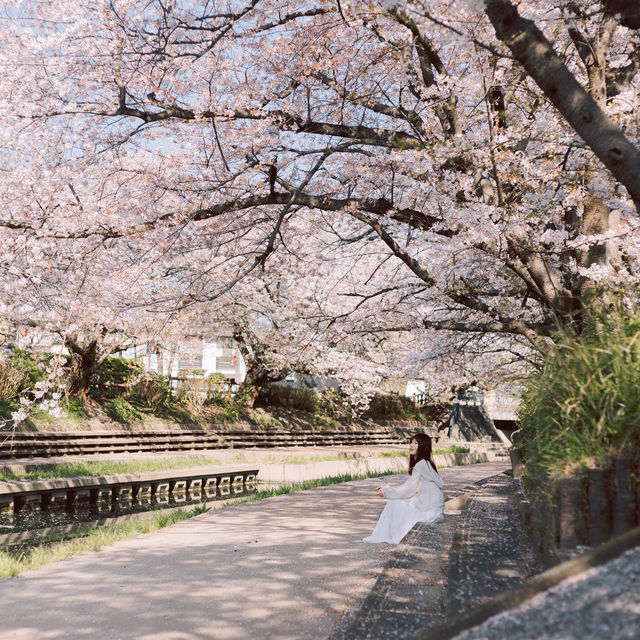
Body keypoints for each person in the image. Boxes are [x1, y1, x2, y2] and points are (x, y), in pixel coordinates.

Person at [363, 433, 444, 544]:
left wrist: (386, 491)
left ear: (423, 446)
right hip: (433, 509)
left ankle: (381, 536)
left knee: (394, 503)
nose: (411, 445)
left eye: (416, 443)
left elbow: (408, 490)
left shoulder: (421, 465)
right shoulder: (425, 463)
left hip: (429, 511)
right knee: (398, 503)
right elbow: (412, 489)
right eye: (411, 442)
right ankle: (383, 535)